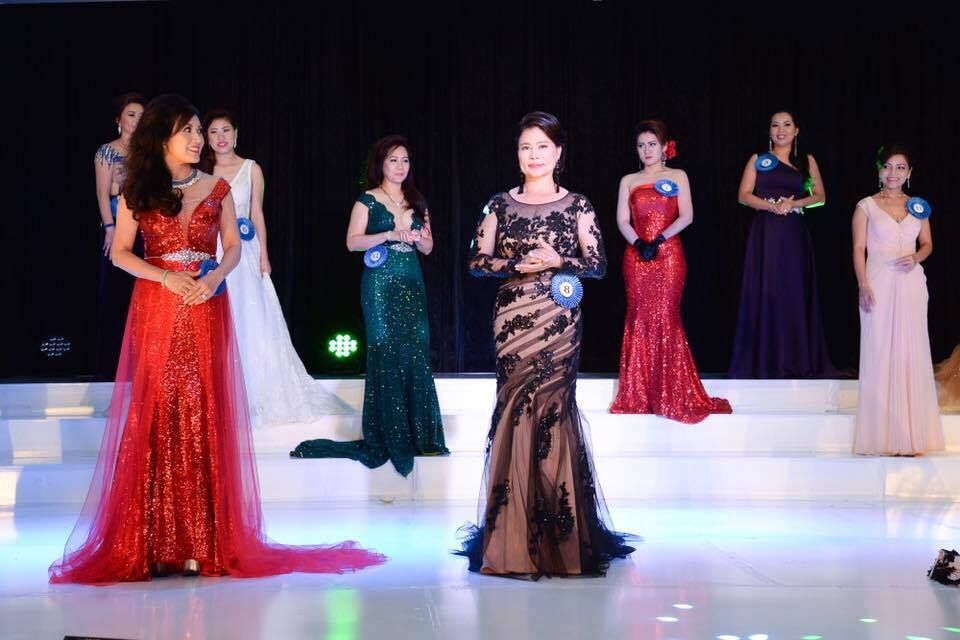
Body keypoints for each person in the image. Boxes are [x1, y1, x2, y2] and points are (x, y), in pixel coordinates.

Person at [50, 94, 385, 584]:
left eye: (198, 130)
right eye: (186, 130)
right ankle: (154, 542)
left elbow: (233, 246)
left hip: (206, 305)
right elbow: (121, 253)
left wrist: (213, 277)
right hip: (160, 307)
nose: (196, 139)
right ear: (161, 136)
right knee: (158, 412)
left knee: (201, 412)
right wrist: (167, 278)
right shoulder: (139, 189)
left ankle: (200, 544)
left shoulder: (217, 186)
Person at [455, 112, 633, 577]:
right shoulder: (498, 203)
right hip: (513, 319)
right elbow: (475, 260)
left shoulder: (577, 205)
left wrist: (559, 259)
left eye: (541, 147)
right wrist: (517, 265)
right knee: (515, 410)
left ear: (558, 153)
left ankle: (562, 539)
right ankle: (509, 536)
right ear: (517, 154)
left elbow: (597, 263)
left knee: (553, 411)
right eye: (525, 147)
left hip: (559, 320)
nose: (533, 155)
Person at [291, 135, 448, 476]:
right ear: (381, 163)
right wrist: (390, 235)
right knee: (385, 349)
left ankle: (419, 433)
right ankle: (388, 433)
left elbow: (429, 248)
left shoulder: (417, 201)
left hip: (411, 281)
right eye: (393, 160)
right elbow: (352, 242)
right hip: (380, 284)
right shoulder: (368, 200)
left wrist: (419, 238)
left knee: (415, 350)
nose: (400, 166)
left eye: (405, 160)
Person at [609, 119, 731, 422]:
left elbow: (687, 216)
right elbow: (622, 220)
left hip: (668, 256)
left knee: (666, 316)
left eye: (652, 144)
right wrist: (639, 243)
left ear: (665, 147)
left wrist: (659, 240)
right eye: (641, 145)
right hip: (637, 257)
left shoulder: (678, 175)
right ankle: (639, 393)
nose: (646, 150)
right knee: (639, 317)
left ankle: (670, 392)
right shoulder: (629, 180)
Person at [728, 110, 835, 378]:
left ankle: (796, 360)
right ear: (769, 131)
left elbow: (820, 196)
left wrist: (795, 203)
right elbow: (743, 195)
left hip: (794, 234)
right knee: (767, 289)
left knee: (793, 291)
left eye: (787, 125)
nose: (781, 130)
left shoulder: (807, 161)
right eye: (775, 125)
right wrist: (770, 205)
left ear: (796, 130)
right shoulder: (758, 159)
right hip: (765, 233)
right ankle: (764, 360)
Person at [851, 143, 943, 455]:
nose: (893, 173)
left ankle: (913, 437)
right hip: (878, 281)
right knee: (879, 350)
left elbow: (928, 243)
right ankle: (881, 437)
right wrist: (863, 284)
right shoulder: (866, 206)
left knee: (910, 351)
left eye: (900, 167)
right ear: (879, 170)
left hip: (911, 283)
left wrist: (916, 257)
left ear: (909, 172)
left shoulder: (918, 207)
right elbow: (858, 248)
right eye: (887, 166)